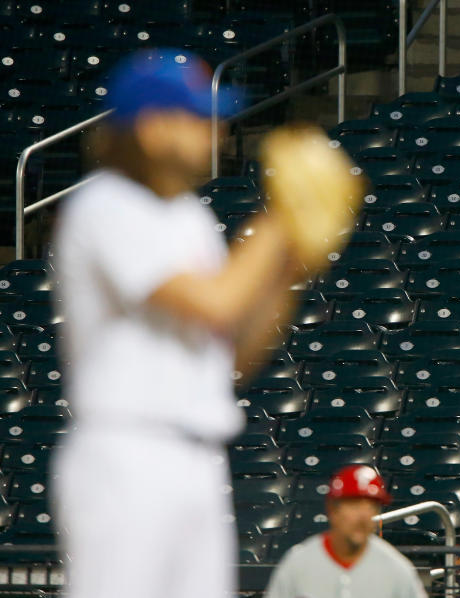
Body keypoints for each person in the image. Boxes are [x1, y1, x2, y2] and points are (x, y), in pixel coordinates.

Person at [50, 48, 354, 598]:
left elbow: (234, 352)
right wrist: (278, 224)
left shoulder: (190, 218)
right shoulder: (105, 205)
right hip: (127, 451)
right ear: (149, 127)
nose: (213, 129)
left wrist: (291, 265)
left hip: (199, 457)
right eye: (195, 117)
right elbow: (213, 302)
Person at [265, 465, 429, 598]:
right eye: (354, 505)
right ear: (332, 510)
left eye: (371, 507)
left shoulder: (396, 569)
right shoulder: (298, 564)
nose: (363, 516)